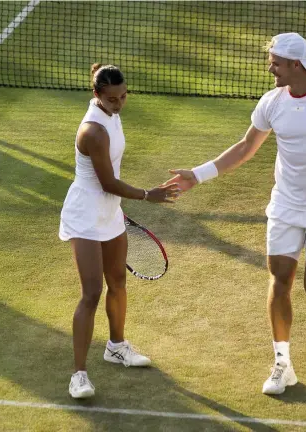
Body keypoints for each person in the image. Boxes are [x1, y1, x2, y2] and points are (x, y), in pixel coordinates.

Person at [165, 33, 306, 395]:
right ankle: (282, 365)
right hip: (286, 205)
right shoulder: (271, 102)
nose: (269, 67)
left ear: (295, 64)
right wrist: (197, 174)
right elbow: (245, 148)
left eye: (275, 62)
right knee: (280, 280)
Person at [59, 63, 181, 399]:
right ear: (96, 95)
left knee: (118, 281)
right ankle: (78, 376)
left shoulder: (111, 112)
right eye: (113, 99)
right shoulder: (92, 131)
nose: (119, 104)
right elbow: (108, 181)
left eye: (124, 96)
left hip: (110, 212)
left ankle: (116, 346)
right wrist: (147, 195)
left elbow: (110, 187)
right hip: (85, 214)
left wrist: (118, 206)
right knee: (92, 293)